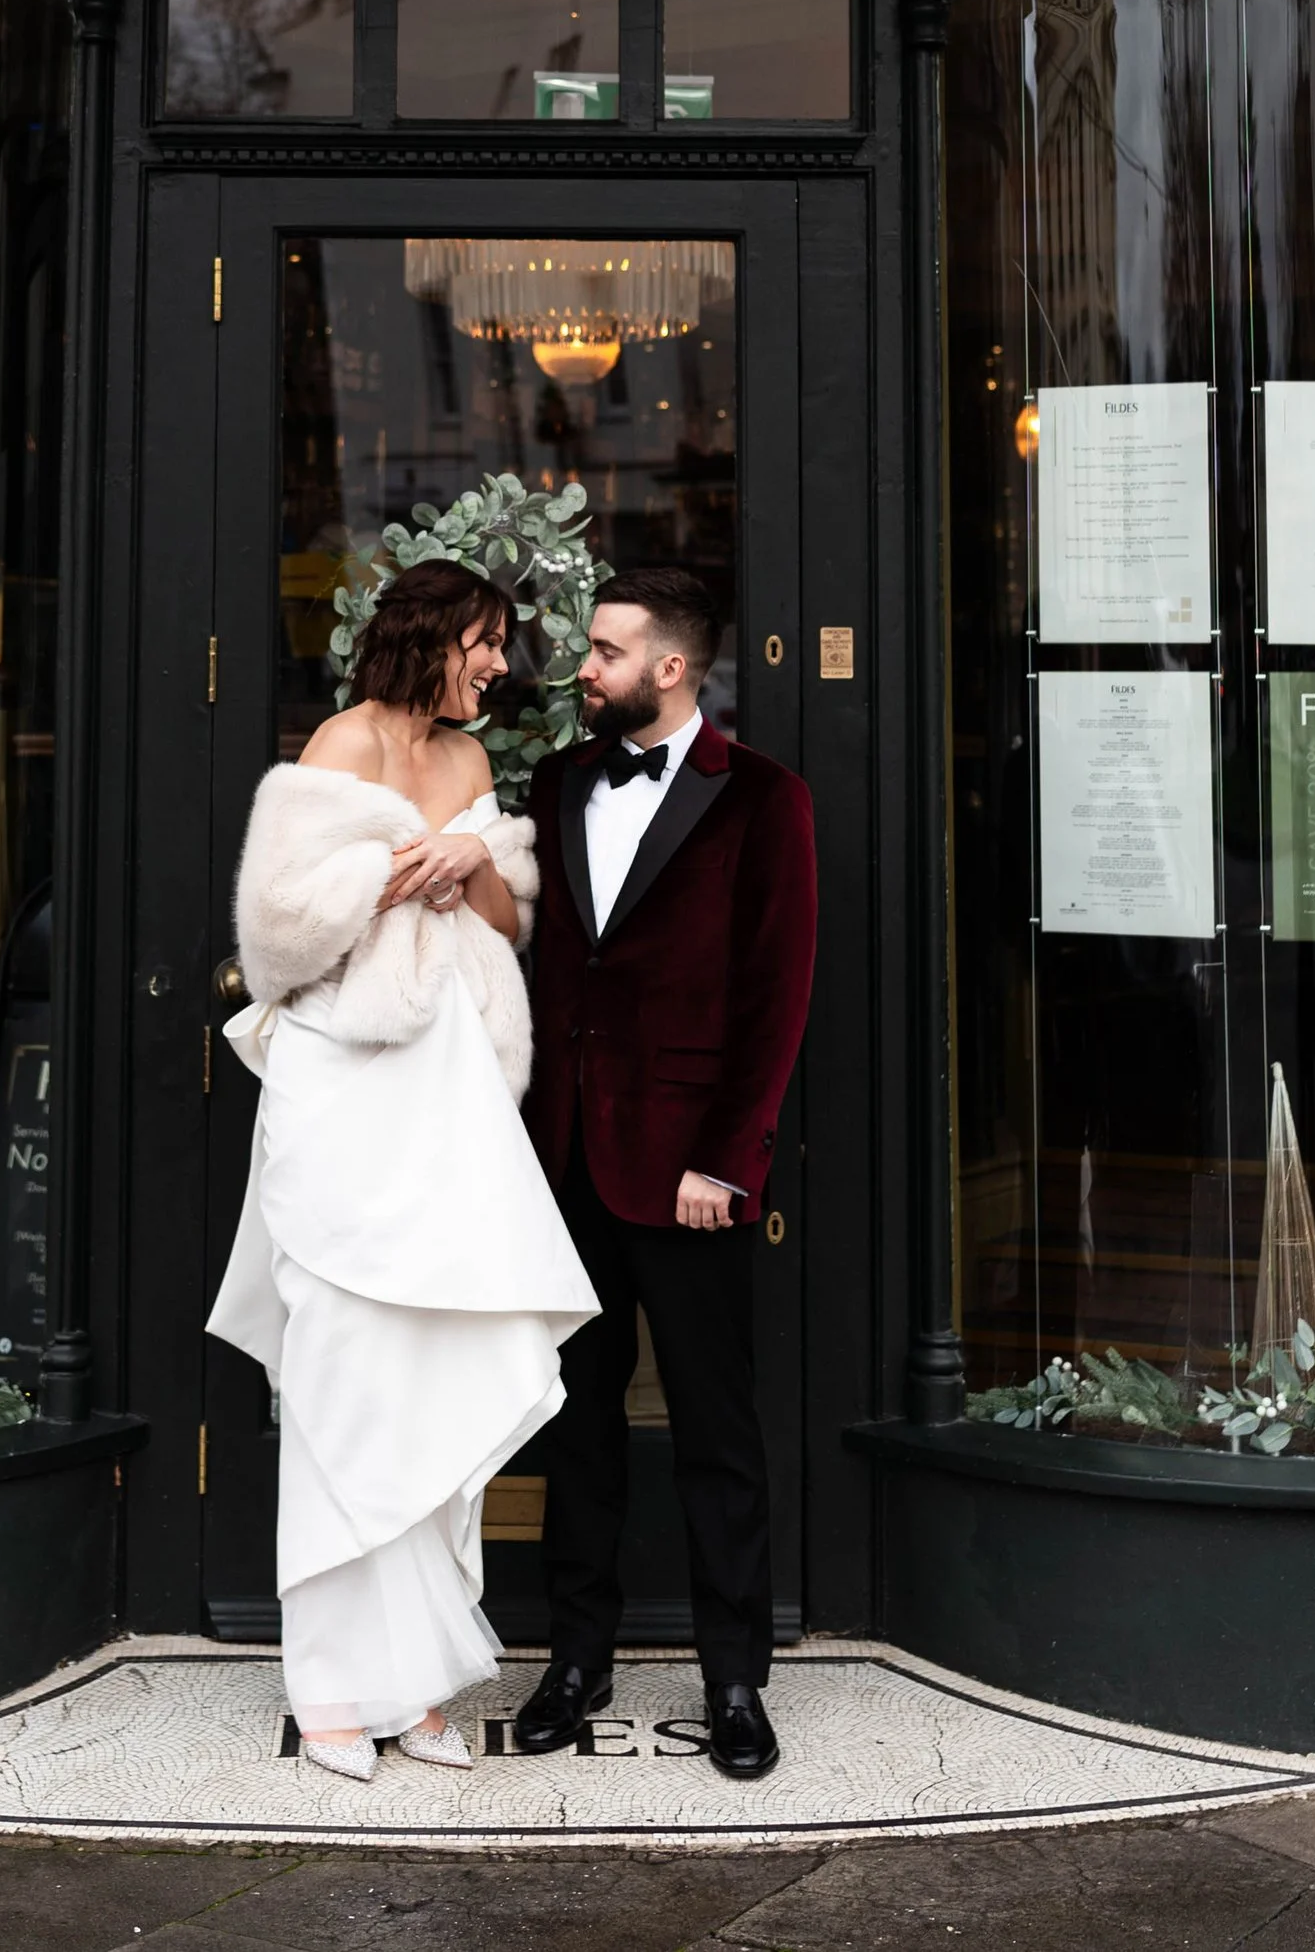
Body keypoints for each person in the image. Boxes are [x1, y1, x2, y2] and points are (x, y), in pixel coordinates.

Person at [207, 560, 596, 1785]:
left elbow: (506, 921)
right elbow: (273, 939)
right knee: (345, 1387)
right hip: (344, 1099)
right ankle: (330, 1689)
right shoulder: (339, 743)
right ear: (431, 638)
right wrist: (390, 870)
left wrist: (466, 870)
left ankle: (419, 1682)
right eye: (485, 643)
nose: (498, 665)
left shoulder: (473, 767)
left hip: (452, 1105)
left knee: (440, 1374)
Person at [514, 564, 817, 1782]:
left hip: (688, 1174)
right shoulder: (558, 781)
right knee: (575, 1428)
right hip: (564, 1161)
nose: (583, 668)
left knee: (714, 1432)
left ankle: (734, 1679)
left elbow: (775, 1000)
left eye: (603, 650)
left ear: (670, 669)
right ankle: (573, 1660)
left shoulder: (762, 800)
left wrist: (725, 1161)